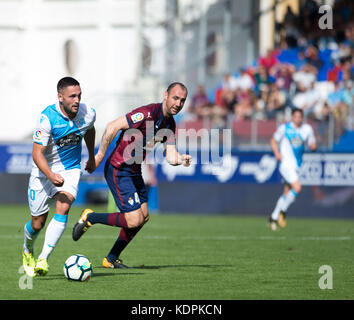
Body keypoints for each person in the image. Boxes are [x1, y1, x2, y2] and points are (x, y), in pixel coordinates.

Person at [72, 82, 192, 268]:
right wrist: (99, 156)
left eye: (182, 100)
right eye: (175, 98)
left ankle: (111, 258)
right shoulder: (148, 113)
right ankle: (90, 218)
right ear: (166, 95)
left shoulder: (170, 124)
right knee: (134, 218)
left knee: (143, 216)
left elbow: (171, 155)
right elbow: (112, 126)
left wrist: (181, 159)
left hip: (134, 171)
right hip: (118, 169)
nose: (178, 103)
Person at [22, 77, 96, 277]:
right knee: (37, 223)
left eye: (79, 95)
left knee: (64, 204)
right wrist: (50, 175)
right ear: (60, 97)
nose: (77, 100)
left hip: (70, 168)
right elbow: (37, 154)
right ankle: (28, 249)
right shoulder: (47, 118)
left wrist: (91, 156)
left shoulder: (88, 113)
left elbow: (90, 130)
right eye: (72, 96)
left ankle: (43, 259)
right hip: (43, 171)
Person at [269, 108, 316, 231]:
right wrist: (276, 153)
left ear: (302, 117)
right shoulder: (285, 128)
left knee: (286, 193)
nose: (298, 119)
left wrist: (313, 146)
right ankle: (282, 212)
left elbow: (312, 142)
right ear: (292, 117)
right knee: (297, 187)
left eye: (300, 117)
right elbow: (273, 140)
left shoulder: (307, 129)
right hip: (285, 164)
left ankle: (273, 218)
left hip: (297, 166)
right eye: (295, 116)